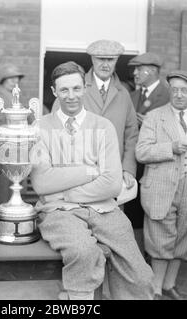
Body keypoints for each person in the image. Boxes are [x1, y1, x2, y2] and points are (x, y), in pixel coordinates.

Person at [30, 61, 154, 300]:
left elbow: (111, 183)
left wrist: (66, 191)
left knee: (141, 276)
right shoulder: (40, 127)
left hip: (104, 209)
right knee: (84, 253)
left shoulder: (103, 127)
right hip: (57, 212)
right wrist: (89, 170)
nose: (71, 96)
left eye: (76, 89)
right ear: (54, 92)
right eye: (64, 90)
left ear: (84, 89)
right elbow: (43, 184)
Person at [136, 70, 187, 300]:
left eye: (184, 91)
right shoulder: (154, 116)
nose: (179, 95)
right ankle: (156, 290)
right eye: (175, 90)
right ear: (170, 90)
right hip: (161, 187)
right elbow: (141, 152)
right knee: (161, 238)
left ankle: (169, 285)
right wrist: (170, 148)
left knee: (184, 238)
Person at [52, 40, 138, 193]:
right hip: (77, 175)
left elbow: (131, 134)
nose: (105, 64)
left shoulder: (123, 94)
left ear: (117, 60)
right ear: (92, 59)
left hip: (112, 173)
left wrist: (128, 168)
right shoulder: (74, 87)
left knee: (111, 215)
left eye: (110, 59)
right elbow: (56, 132)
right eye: (100, 59)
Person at [124, 52, 170, 229]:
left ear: (151, 70)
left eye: (139, 69)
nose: (135, 73)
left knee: (154, 216)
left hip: (156, 167)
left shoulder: (167, 96)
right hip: (134, 164)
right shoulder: (132, 96)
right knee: (132, 211)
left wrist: (151, 123)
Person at [0, 64, 34, 215]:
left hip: (19, 151)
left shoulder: (17, 97)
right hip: (3, 150)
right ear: (2, 79)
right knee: (1, 196)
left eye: (17, 78)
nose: (15, 81)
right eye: (10, 78)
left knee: (14, 191)